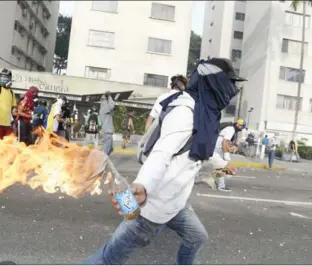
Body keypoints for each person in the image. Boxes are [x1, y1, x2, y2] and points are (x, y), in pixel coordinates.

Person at [83, 58, 244, 265]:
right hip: (152, 204)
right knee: (108, 258)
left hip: (176, 203)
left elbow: (199, 148)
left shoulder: (205, 113)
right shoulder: (185, 112)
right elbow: (161, 153)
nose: (232, 89)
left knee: (197, 236)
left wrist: (222, 165)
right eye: (229, 83)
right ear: (214, 83)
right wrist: (142, 187)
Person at [214, 119, 246, 192]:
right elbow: (224, 142)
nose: (242, 129)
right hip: (219, 149)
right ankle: (221, 186)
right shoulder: (231, 129)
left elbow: (225, 141)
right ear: (238, 125)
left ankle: (218, 182)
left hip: (217, 148)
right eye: (242, 127)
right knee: (223, 167)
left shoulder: (229, 128)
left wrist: (229, 148)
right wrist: (226, 154)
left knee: (220, 167)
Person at [99, 91, 115, 156]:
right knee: (106, 151)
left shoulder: (103, 108)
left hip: (107, 132)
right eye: (106, 99)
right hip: (107, 132)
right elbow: (112, 105)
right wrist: (110, 96)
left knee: (110, 150)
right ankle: (101, 164)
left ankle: (104, 164)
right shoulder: (104, 107)